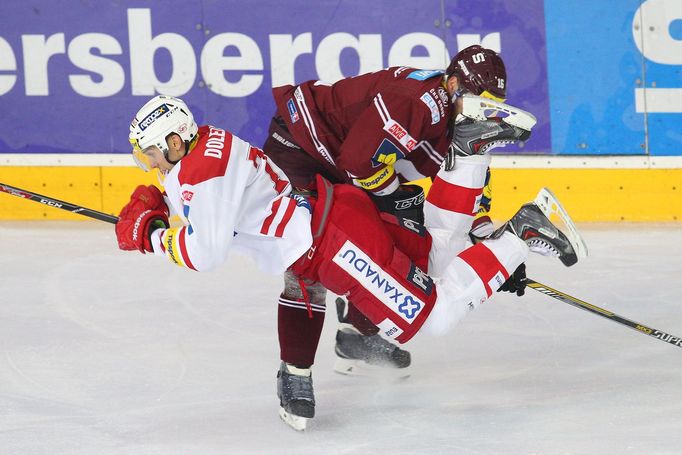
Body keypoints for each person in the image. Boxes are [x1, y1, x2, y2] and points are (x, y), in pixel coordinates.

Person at [117, 95, 579, 430]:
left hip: (334, 247)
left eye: (151, 155)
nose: (149, 165)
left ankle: (522, 233)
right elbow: (210, 207)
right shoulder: (209, 144)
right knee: (438, 253)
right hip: (339, 212)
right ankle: (469, 153)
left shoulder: (199, 171)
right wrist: (164, 202)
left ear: (174, 142)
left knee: (434, 316)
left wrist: (151, 235)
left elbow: (205, 253)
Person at [261, 45, 525, 409]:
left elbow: (469, 201)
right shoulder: (423, 102)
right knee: (308, 261)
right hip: (300, 148)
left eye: (491, 105)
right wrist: (396, 196)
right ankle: (294, 372)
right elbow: (358, 163)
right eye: (478, 101)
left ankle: (356, 336)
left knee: (393, 246)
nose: (484, 112)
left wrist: (487, 246)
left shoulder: (461, 123)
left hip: (347, 165)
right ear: (452, 86)